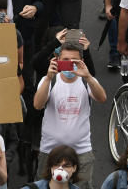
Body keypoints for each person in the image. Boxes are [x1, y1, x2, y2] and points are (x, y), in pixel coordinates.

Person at [32, 40, 106, 187]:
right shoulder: (49, 81)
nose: (70, 63)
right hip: (50, 150)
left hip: (81, 151)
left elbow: (102, 98)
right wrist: (48, 78)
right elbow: (37, 105)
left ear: (82, 62)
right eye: (65, 60)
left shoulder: (86, 82)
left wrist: (88, 77)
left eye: (74, 60)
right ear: (57, 61)